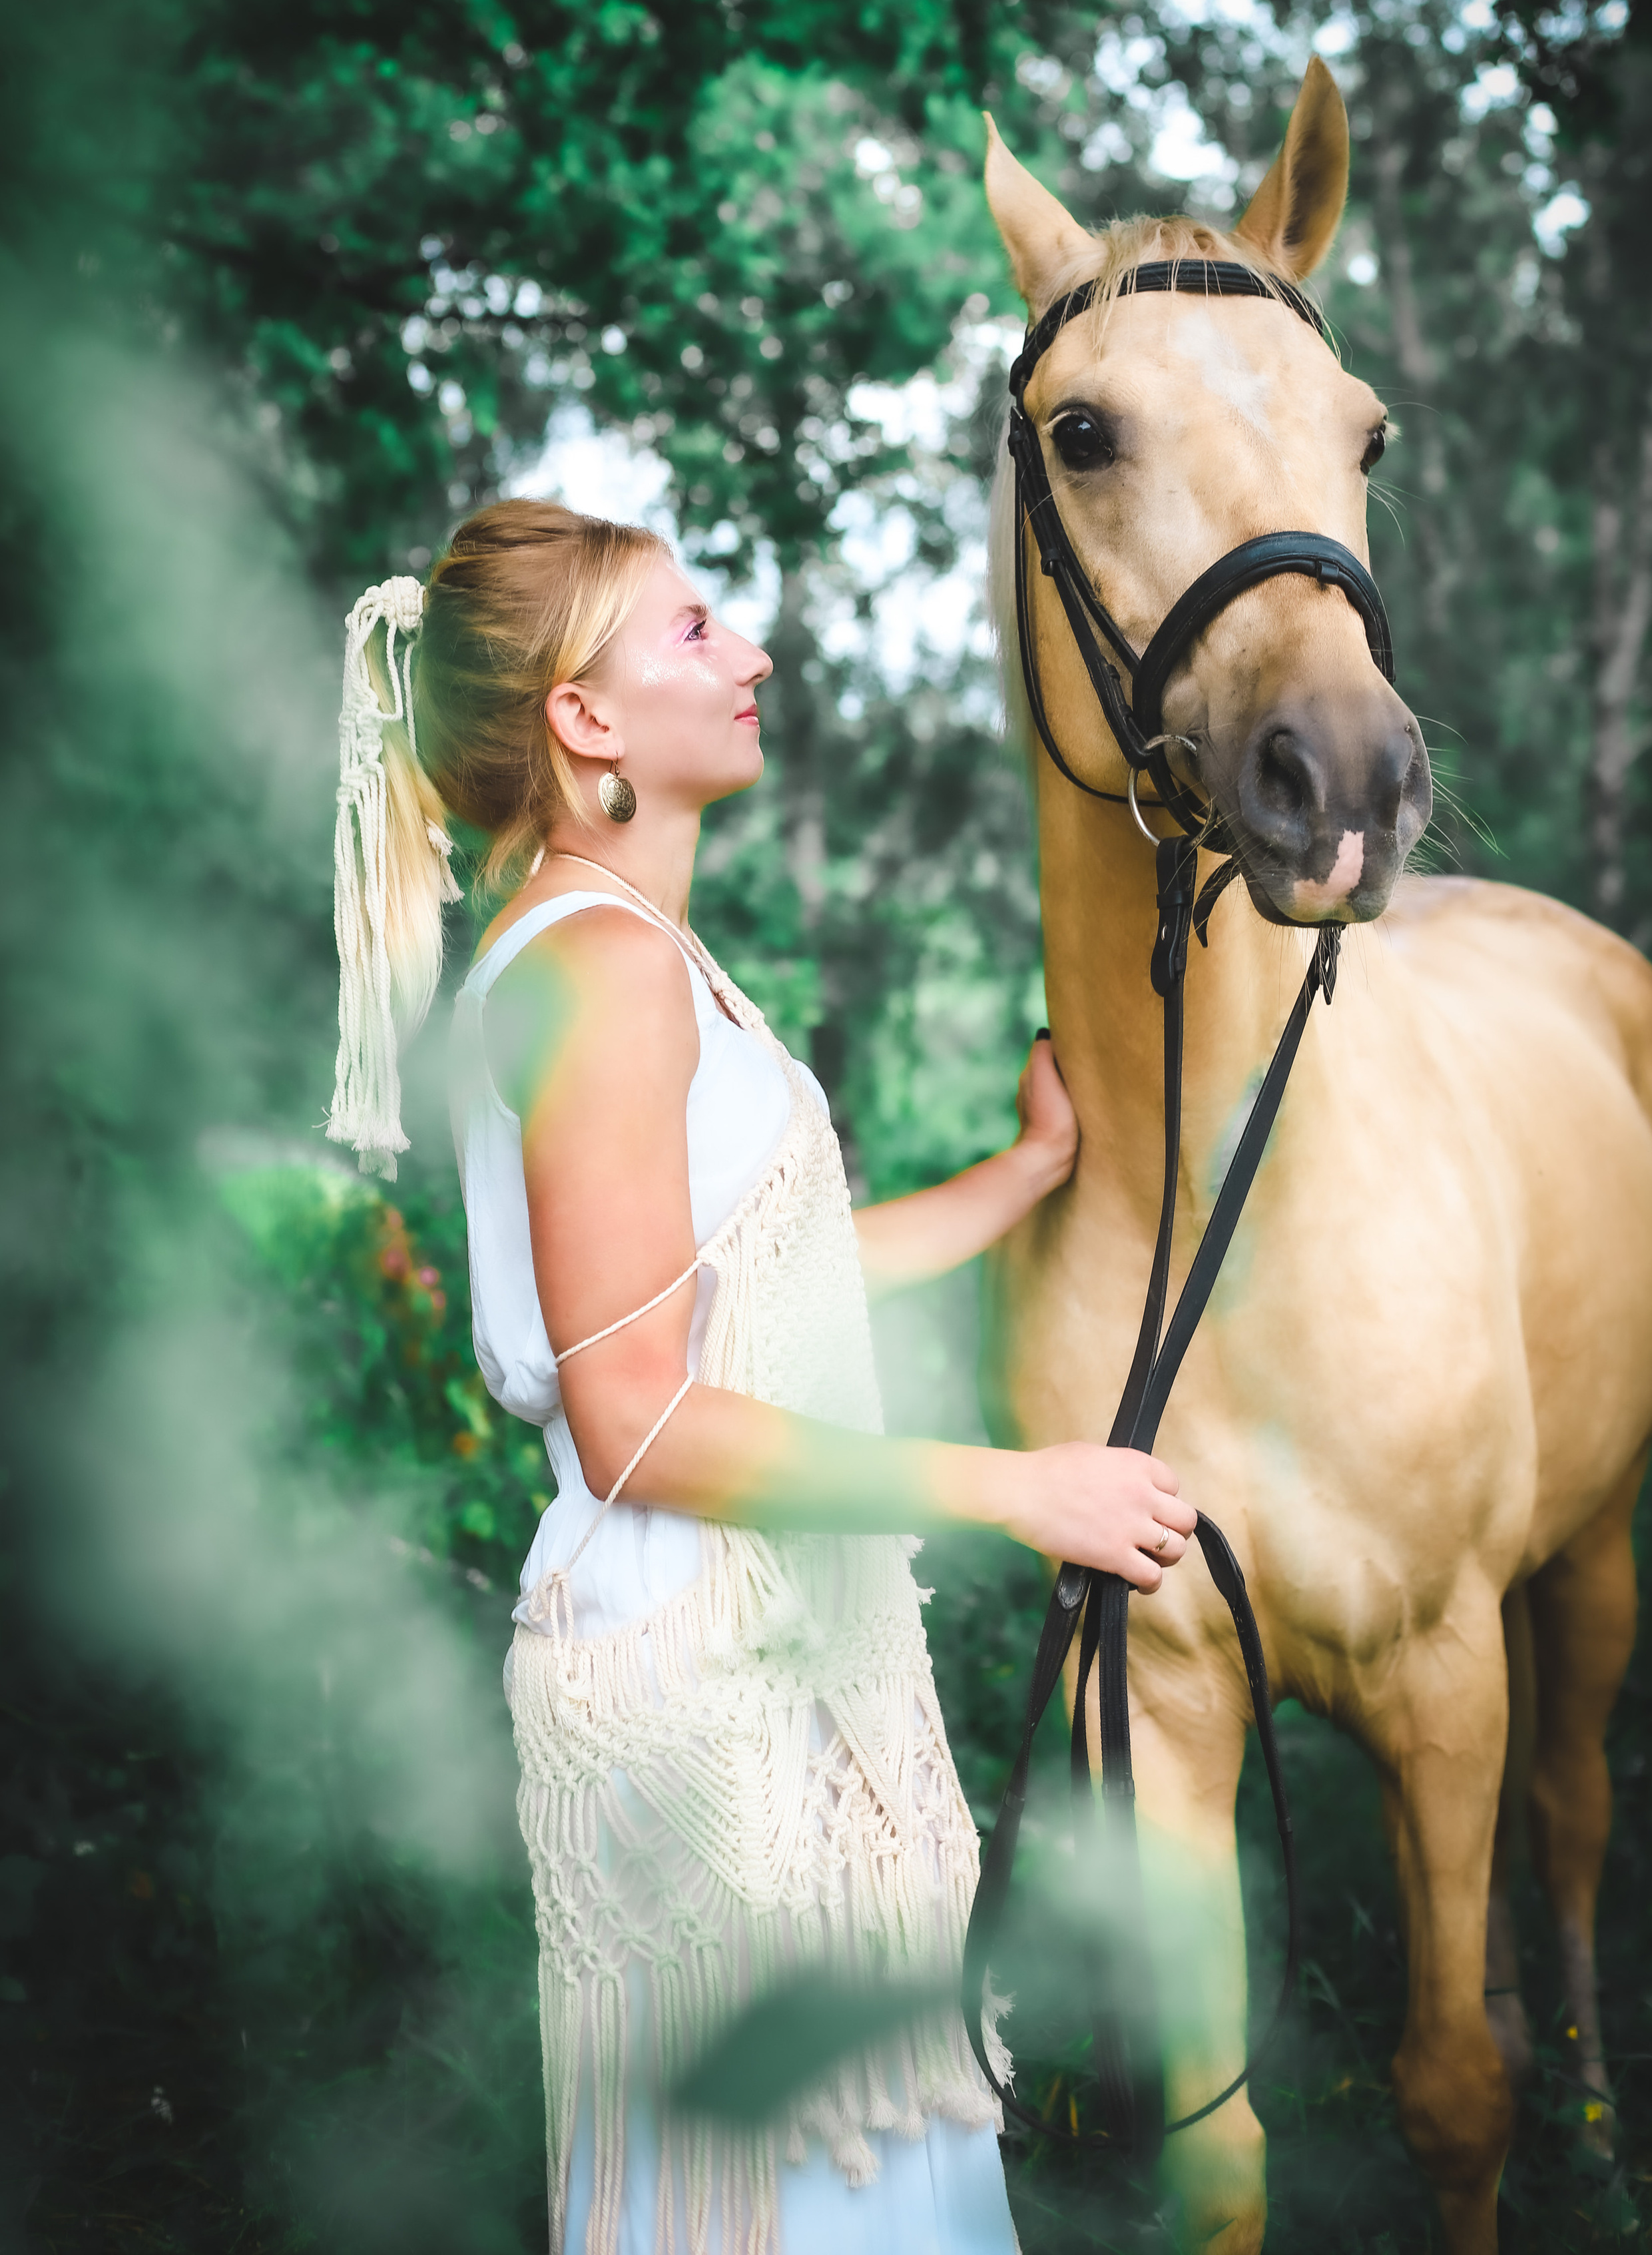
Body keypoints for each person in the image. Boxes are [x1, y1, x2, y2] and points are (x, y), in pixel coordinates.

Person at [326, 497, 1197, 2255]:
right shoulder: (596, 970)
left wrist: (1019, 1180)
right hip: (694, 1664)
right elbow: (639, 1410)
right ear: (584, 720)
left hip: (744, 1645)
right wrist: (1021, 1490)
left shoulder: (633, 957)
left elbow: (748, 1291)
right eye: (696, 632)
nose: (756, 657)